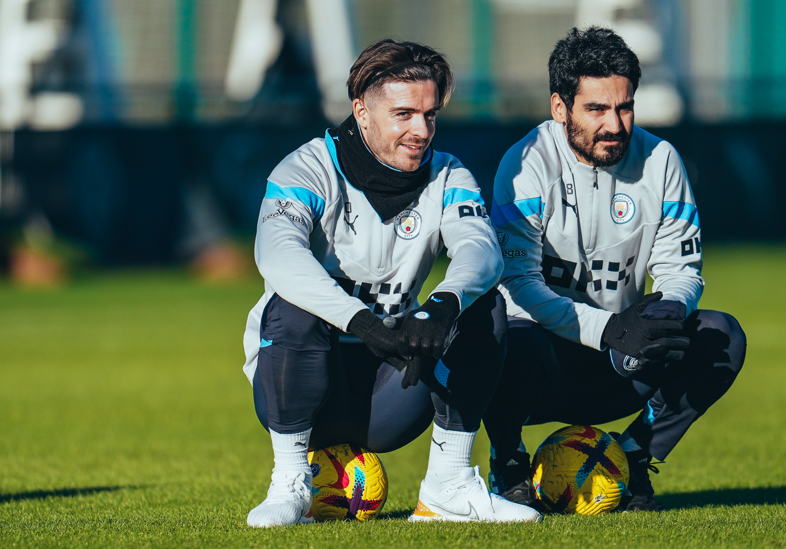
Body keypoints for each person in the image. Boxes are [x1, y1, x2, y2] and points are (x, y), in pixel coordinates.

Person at [242, 39, 541, 527]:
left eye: (429, 115)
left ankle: (448, 488)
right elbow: (278, 257)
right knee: (291, 305)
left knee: (484, 305)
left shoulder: (449, 174)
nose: (420, 130)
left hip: (393, 384)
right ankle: (290, 483)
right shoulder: (307, 168)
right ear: (362, 112)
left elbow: (481, 251)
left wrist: (443, 302)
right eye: (404, 114)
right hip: (298, 387)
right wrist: (360, 322)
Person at [482, 27, 747, 512]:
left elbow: (681, 269)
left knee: (721, 336)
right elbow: (516, 285)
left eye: (625, 107)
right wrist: (609, 328)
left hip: (621, 362)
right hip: (543, 364)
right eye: (596, 109)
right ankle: (509, 465)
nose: (615, 125)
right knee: (498, 331)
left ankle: (631, 459)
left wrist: (664, 314)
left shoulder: (661, 160)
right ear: (560, 108)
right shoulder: (525, 163)